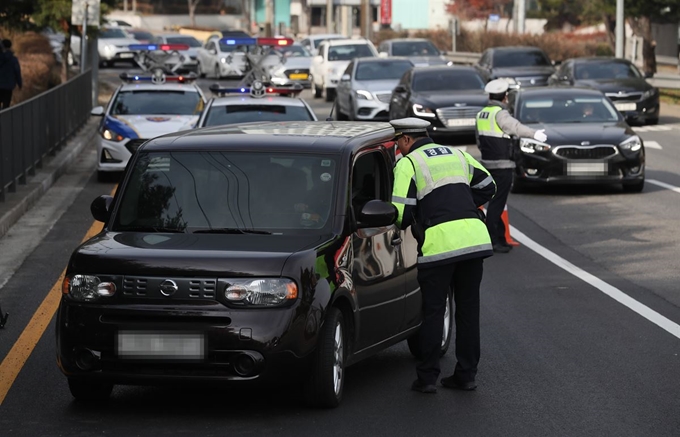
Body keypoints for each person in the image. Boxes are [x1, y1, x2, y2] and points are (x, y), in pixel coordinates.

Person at [390, 117, 496, 394]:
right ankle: (466, 375)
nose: (398, 149)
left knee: (434, 311)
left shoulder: (408, 163)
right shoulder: (458, 154)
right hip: (474, 241)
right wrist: (461, 206)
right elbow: (489, 186)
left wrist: (427, 214)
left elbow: (400, 215)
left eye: (397, 143)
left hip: (440, 245)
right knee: (468, 311)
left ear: (405, 140)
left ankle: (427, 379)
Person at [475, 78, 547, 254]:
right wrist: (534, 134)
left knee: (496, 202)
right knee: (497, 204)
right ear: (505, 97)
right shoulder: (500, 114)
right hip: (503, 164)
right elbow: (515, 127)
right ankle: (493, 240)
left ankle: (499, 237)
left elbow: (478, 140)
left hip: (488, 163)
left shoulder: (482, 113)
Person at [0, 39, 22, 110]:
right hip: (9, 85)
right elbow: (17, 72)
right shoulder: (13, 59)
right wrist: (19, 83)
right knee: (6, 105)